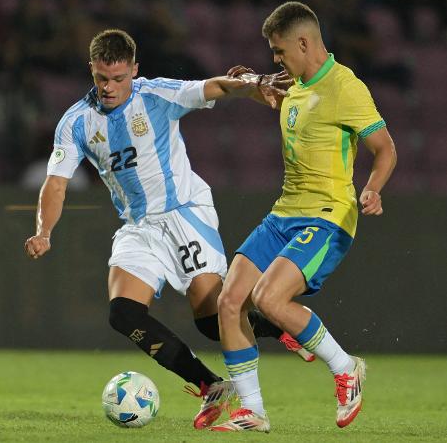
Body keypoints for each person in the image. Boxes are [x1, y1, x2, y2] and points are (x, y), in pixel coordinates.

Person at [23, 28, 313, 430]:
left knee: (211, 322)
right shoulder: (76, 122)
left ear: (134, 70)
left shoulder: (156, 94)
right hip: (138, 227)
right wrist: (45, 232)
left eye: (119, 78)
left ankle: (279, 323)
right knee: (123, 313)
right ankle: (210, 385)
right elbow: (55, 183)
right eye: (102, 78)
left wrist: (255, 82)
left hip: (184, 213)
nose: (110, 88)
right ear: (92, 70)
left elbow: (213, 87)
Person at [207, 2, 397, 432]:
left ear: (304, 43)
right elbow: (259, 87)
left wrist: (372, 188)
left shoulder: (345, 87)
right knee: (230, 300)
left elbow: (385, 149)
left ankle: (346, 367)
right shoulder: (290, 83)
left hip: (328, 215)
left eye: (279, 51)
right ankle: (252, 411)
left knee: (269, 299)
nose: (276, 60)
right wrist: (251, 81)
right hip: (283, 212)